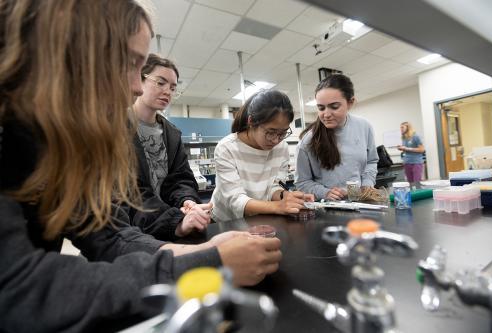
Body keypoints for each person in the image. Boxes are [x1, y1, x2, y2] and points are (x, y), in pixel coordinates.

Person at [0, 1, 281, 331]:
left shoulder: (59, 141)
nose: (136, 86)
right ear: (66, 49)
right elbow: (16, 287)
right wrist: (200, 266)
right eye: (128, 64)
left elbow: (108, 232)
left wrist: (194, 251)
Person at [131, 54, 210, 240]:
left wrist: (187, 201)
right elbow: (130, 193)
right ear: (139, 79)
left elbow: (180, 179)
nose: (168, 91)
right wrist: (174, 222)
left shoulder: (172, 134)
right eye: (160, 83)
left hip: (164, 230)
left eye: (173, 88)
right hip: (127, 233)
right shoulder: (115, 128)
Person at [211, 90, 314, 222]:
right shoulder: (227, 148)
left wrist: (286, 197)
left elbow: (273, 187)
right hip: (225, 221)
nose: (276, 140)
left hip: (259, 219)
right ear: (251, 122)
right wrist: (278, 206)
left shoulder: (282, 148)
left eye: (283, 133)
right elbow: (235, 200)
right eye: (271, 132)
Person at [295, 74, 378, 200]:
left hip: (360, 200)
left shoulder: (364, 126)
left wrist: (367, 184)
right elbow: (302, 182)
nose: (326, 114)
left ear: (350, 103)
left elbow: (371, 161)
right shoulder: (308, 141)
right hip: (328, 208)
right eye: (321, 108)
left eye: (334, 107)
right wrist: (325, 193)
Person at [398, 121, 425, 187]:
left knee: (416, 182)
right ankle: (412, 196)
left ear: (408, 127)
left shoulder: (415, 136)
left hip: (416, 162)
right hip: (407, 162)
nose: (400, 129)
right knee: (410, 183)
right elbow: (406, 149)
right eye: (400, 127)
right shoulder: (404, 138)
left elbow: (422, 149)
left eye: (402, 127)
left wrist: (407, 148)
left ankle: (419, 195)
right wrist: (402, 148)